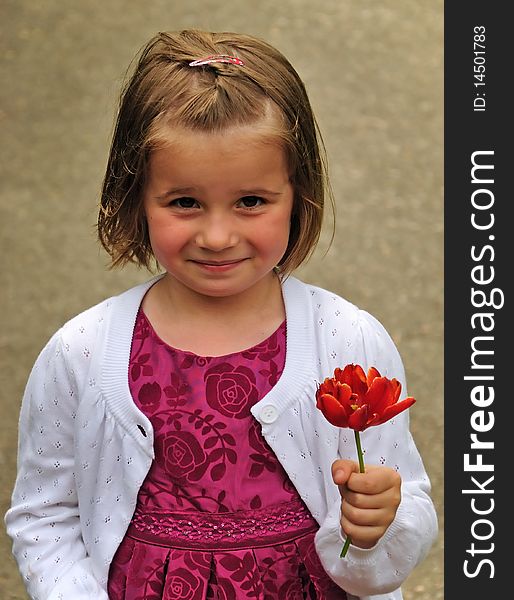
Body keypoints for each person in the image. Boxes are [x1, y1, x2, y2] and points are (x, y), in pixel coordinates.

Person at [4, 29, 437, 600]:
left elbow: (399, 511)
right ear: (135, 196)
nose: (216, 235)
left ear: (298, 194)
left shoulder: (349, 341)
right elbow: (44, 516)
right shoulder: (80, 351)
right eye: (184, 202)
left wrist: (380, 525)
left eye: (251, 201)